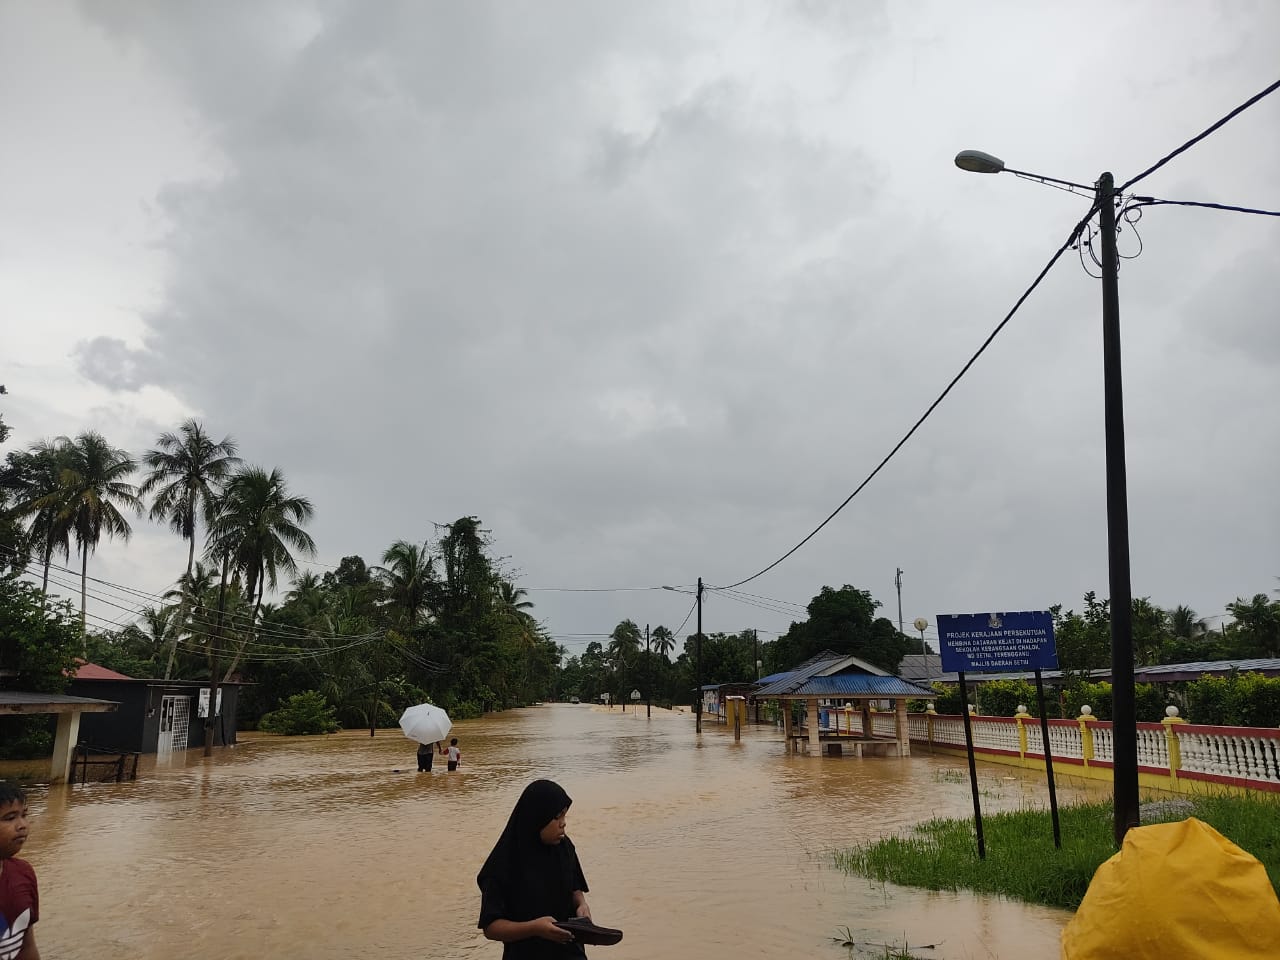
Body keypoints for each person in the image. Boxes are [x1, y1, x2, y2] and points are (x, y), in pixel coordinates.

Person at [477, 779, 591, 958]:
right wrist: (534, 928)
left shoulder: (564, 847)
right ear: (537, 817)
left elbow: (575, 889)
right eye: (557, 817)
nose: (563, 823)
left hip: (571, 953)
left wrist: (581, 905)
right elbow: (491, 928)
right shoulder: (503, 863)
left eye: (564, 815)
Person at [0, 782, 40, 960]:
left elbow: (26, 945)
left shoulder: (23, 873)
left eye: (24, 815)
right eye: (9, 818)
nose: (22, 825)